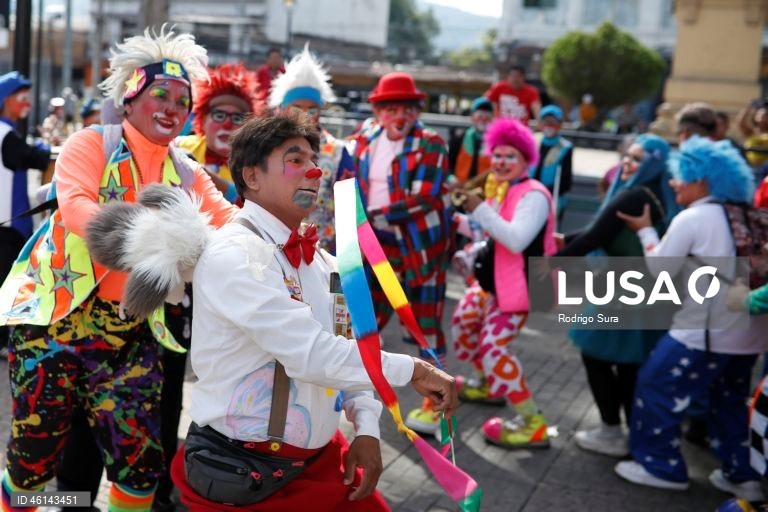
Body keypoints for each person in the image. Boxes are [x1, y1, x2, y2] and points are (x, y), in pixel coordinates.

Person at [0, 25, 238, 512]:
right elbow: (78, 210)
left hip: (130, 334)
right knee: (32, 468)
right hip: (54, 325)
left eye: (182, 100)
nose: (172, 107)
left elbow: (231, 226)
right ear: (130, 98)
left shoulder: (188, 173)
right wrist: (163, 240)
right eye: (160, 95)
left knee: (140, 470)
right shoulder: (90, 143)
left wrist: (285, 244)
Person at [168, 112, 458, 511]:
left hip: (319, 460)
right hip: (244, 469)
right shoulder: (235, 254)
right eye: (295, 159)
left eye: (314, 160)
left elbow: (346, 350)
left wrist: (367, 428)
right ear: (252, 177)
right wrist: (414, 369)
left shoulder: (327, 264)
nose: (315, 171)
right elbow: (312, 356)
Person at [614, 136, 768, 501]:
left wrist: (645, 231)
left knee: (655, 385)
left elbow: (658, 269)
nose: (674, 182)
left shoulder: (695, 217)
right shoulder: (752, 215)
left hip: (705, 333)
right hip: (751, 337)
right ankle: (741, 475)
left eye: (680, 175)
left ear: (701, 179)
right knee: (729, 400)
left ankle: (661, 467)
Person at [555, 134, 677, 457]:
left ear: (652, 165)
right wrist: (564, 240)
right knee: (628, 366)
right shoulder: (660, 193)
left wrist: (544, 265)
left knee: (595, 355)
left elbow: (593, 238)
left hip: (624, 292)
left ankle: (611, 430)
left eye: (637, 159)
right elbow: (599, 231)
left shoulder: (635, 195)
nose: (627, 162)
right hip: (650, 292)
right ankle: (631, 434)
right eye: (627, 155)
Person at [348, 72, 453, 435]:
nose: (399, 116)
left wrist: (373, 215)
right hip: (372, 247)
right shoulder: (363, 140)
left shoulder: (431, 143)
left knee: (425, 327)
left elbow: (425, 197)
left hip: (419, 250)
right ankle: (356, 393)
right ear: (377, 111)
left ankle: (436, 405)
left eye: (406, 108)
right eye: (390, 108)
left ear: (416, 111)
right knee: (364, 322)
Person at [451, 117, 556, 448]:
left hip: (519, 288)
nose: (501, 161)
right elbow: (486, 231)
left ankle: (532, 421)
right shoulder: (503, 189)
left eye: (510, 155)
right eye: (497, 154)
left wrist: (479, 208)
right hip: (491, 282)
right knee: (463, 323)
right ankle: (487, 384)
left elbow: (515, 239)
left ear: (526, 160)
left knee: (495, 349)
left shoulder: (534, 195)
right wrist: (451, 215)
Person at [269, 44, 355, 253]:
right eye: (297, 108)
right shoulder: (267, 147)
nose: (305, 115)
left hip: (321, 253)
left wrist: (348, 259)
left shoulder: (337, 153)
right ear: (282, 109)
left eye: (312, 109)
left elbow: (349, 213)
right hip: (271, 248)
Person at [0, 71, 51, 360]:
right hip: (7, 226)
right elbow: (36, 158)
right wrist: (46, 147)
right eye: (21, 97)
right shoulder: (5, 134)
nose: (27, 104)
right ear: (5, 100)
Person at [176, 62, 262, 204]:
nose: (227, 124)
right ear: (204, 120)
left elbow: (249, 201)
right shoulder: (178, 146)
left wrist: (199, 172)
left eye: (237, 118)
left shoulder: (255, 165)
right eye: (219, 115)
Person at [531, 104, 572, 222]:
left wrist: (543, 194)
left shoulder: (565, 147)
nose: (549, 125)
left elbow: (565, 181)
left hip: (551, 199)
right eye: (546, 121)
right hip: (529, 195)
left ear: (560, 125)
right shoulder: (533, 140)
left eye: (553, 122)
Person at [448, 96, 493, 185]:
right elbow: (448, 164)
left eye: (487, 116)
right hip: (461, 188)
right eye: (480, 115)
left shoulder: (497, 142)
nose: (483, 119)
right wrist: (451, 178)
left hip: (486, 188)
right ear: (472, 117)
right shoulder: (459, 139)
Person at [738, 98, 768, 169]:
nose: (763, 118)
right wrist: (749, 106)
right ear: (755, 116)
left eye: (766, 115)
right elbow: (741, 122)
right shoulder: (750, 132)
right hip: (750, 167)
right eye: (760, 115)